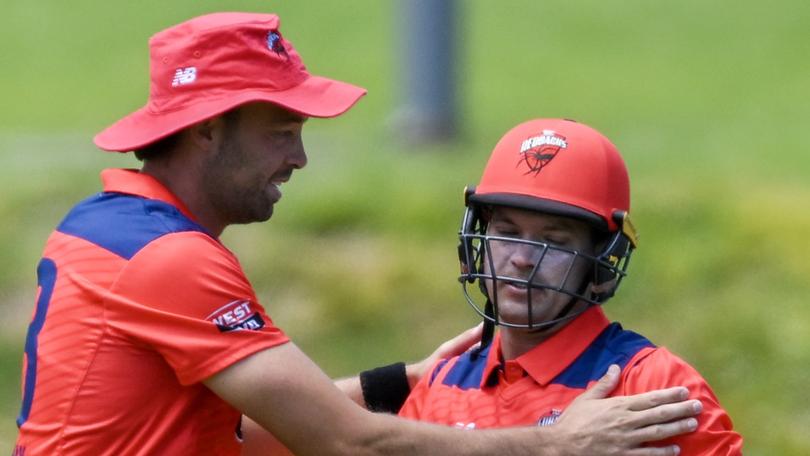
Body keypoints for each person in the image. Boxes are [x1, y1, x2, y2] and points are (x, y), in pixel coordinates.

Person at [14, 12, 702, 456]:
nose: (300, 158)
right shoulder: (172, 260)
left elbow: (239, 432)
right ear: (206, 129)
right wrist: (556, 442)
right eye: (282, 133)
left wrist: (406, 380)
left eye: (555, 238)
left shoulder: (106, 227)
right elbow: (344, 444)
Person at [389, 119, 742, 453]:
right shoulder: (443, 383)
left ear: (603, 256)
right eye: (508, 233)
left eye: (554, 241)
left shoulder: (652, 387)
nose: (522, 259)